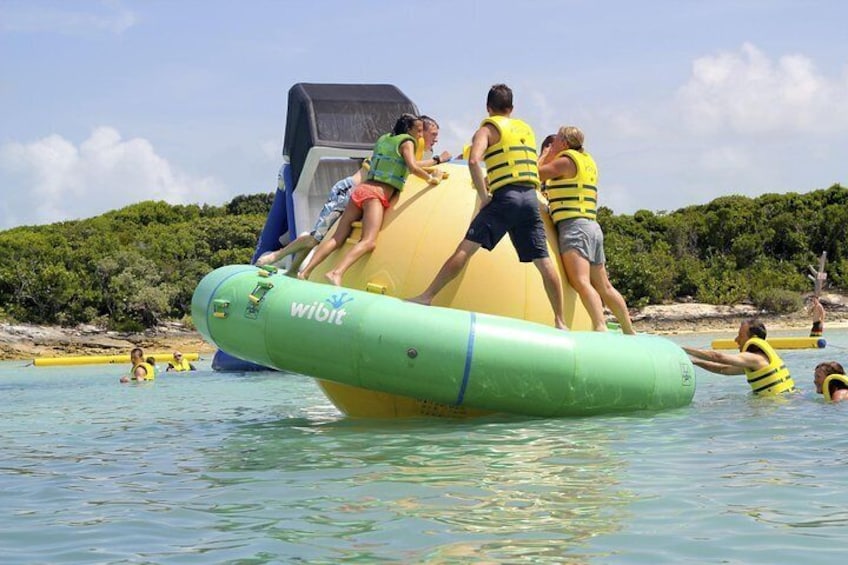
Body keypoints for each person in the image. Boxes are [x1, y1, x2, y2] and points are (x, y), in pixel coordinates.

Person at [409, 84, 567, 330]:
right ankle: (560, 320)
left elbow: (473, 160)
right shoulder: (526, 128)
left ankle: (427, 296)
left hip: (506, 198)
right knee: (544, 261)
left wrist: (484, 197)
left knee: (465, 248)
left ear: (487, 107)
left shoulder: (487, 129)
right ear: (511, 108)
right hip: (530, 198)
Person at [298, 113, 443, 285]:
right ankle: (336, 272)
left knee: (337, 238)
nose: (420, 135)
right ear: (409, 129)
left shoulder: (384, 139)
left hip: (360, 191)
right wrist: (432, 178)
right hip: (375, 195)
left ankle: (305, 272)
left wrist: (435, 162)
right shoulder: (407, 142)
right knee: (368, 242)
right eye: (418, 131)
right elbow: (412, 167)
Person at [538, 126, 635, 334]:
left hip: (574, 228)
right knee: (605, 286)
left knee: (581, 281)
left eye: (556, 141)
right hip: (592, 226)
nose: (554, 144)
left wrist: (546, 155)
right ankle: (629, 330)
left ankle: (600, 326)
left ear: (564, 143)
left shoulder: (565, 161)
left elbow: (534, 175)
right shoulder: (587, 162)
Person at [255, 158, 371, 274]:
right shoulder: (381, 154)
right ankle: (277, 255)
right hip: (345, 193)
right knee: (314, 239)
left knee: (318, 240)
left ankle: (293, 271)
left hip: (354, 196)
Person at [683, 319, 795, 396]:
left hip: (776, 405)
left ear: (753, 338)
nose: (736, 340)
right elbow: (723, 369)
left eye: (740, 336)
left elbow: (718, 356)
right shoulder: (756, 364)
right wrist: (695, 362)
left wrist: (683, 349)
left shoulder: (756, 359)